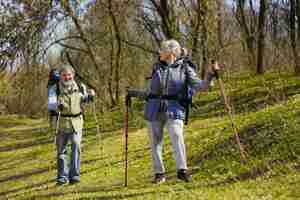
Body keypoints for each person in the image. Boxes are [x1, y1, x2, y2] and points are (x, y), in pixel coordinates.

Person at [127, 39, 219, 184]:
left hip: (175, 108)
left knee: (176, 135)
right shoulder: (156, 67)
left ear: (170, 53)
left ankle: (182, 171)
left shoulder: (184, 68)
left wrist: (210, 75)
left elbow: (201, 86)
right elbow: (149, 92)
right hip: (154, 109)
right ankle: (159, 174)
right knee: (155, 143)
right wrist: (132, 93)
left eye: (162, 50)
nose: (159, 52)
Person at [52, 64, 95, 185]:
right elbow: (50, 105)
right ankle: (61, 178)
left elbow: (84, 99)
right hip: (61, 124)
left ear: (73, 75)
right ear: (60, 76)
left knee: (76, 145)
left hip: (77, 122)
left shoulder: (80, 87)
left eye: (69, 75)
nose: (67, 77)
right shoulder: (54, 88)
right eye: (64, 75)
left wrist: (90, 96)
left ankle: (74, 176)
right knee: (61, 152)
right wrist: (57, 107)